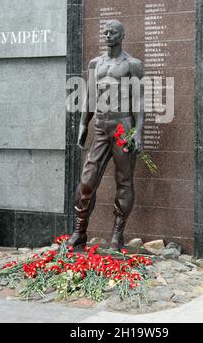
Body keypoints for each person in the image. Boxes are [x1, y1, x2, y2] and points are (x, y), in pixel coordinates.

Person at [67, 19, 144, 250]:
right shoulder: (95, 64)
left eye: (112, 33)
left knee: (124, 180)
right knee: (87, 181)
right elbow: (89, 96)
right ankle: (80, 232)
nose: (108, 35)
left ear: (122, 36)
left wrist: (138, 131)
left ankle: (117, 235)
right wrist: (83, 125)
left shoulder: (132, 64)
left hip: (123, 126)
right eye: (106, 32)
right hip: (100, 126)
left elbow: (139, 101)